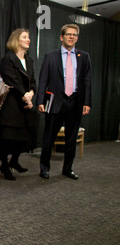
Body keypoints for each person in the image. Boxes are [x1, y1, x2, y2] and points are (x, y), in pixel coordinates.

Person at [37, 24, 92, 180]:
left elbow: (87, 82)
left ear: (77, 38)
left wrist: (87, 103)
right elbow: (43, 81)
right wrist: (40, 101)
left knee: (71, 139)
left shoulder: (84, 57)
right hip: (55, 103)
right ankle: (44, 168)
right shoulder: (50, 56)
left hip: (75, 103)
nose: (71, 37)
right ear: (61, 37)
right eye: (68, 34)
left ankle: (68, 169)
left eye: (74, 35)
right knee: (49, 138)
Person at [0, 28, 36, 180]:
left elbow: (33, 82)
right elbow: (10, 79)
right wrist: (25, 95)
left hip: (26, 104)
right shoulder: (8, 59)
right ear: (16, 40)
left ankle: (14, 161)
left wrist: (31, 94)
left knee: (24, 137)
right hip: (11, 104)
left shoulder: (30, 61)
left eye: (29, 37)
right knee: (8, 138)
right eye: (25, 37)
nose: (28, 40)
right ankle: (5, 166)